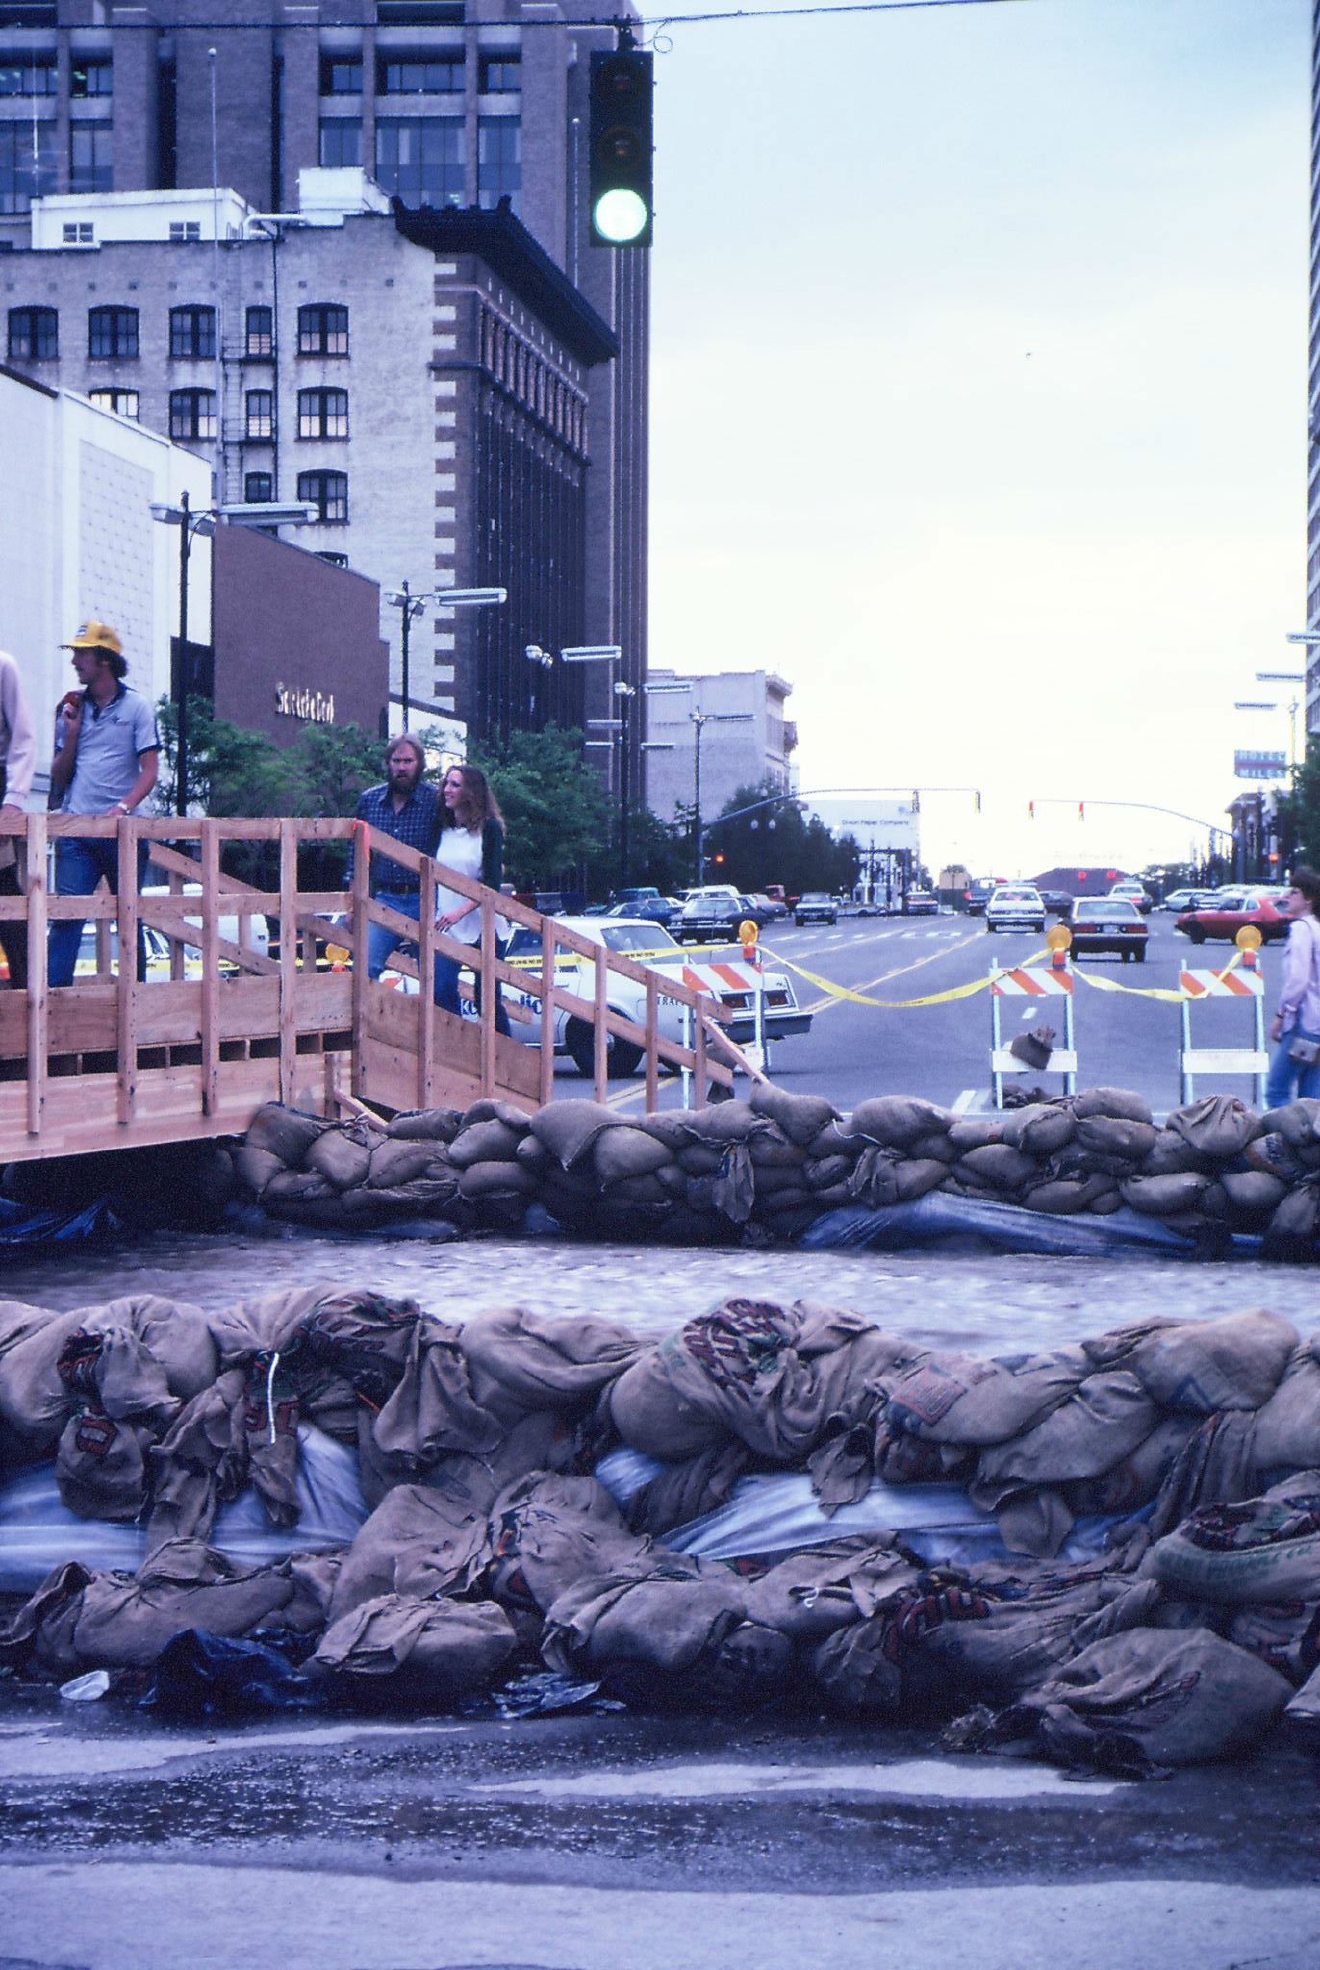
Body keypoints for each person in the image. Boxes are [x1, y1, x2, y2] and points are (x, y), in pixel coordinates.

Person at [47, 621, 160, 989]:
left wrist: (123, 808)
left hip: (121, 833)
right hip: (77, 830)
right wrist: (73, 732)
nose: (76, 661)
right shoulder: (71, 708)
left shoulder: (138, 707)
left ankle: (135, 1008)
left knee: (130, 920)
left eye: (82, 653)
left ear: (104, 660)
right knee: (66, 920)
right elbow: (60, 777)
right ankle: (52, 1011)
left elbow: (150, 770)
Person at [344, 735, 441, 978]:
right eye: (396, 761)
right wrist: (353, 904)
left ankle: (432, 1017)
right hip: (386, 897)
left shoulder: (436, 800)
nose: (401, 767)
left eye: (408, 761)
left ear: (419, 764)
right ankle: (367, 1017)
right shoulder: (370, 801)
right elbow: (355, 857)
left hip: (428, 898)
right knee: (364, 967)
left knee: (434, 977)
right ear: (388, 764)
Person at [433, 762, 510, 1034]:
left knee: (486, 998)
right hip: (445, 922)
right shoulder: (441, 828)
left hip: (481, 922)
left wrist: (460, 911)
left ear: (471, 792)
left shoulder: (489, 829)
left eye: (455, 784)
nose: (447, 790)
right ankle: (458, 1048)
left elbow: (491, 881)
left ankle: (503, 1063)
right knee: (440, 988)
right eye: (446, 783)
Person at [1263, 866, 1320, 1108]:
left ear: (1308, 899)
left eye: (1294, 892)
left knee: (1276, 1090)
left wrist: (1280, 1015)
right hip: (1317, 1026)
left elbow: (1297, 980)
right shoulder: (1317, 928)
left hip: (1302, 1023)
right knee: (1311, 1096)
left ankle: (1286, 1144)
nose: (1287, 896)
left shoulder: (1301, 929)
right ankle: (1311, 1145)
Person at [0, 649, 36, 990]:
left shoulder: (3, 666)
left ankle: (27, 993)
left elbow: (23, 737)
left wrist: (13, 799)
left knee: (5, 888)